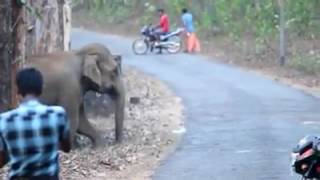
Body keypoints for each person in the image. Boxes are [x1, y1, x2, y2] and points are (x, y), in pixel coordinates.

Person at [0, 68, 71, 180]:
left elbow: (2, 158)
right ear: (41, 88)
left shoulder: (4, 120)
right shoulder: (58, 114)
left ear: (18, 90)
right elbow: (67, 147)